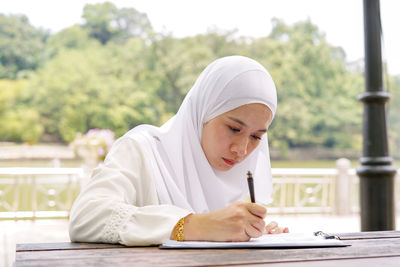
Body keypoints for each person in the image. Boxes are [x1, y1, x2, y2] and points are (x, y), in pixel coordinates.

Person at [69, 55, 288, 246]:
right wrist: (195, 226)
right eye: (233, 128)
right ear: (203, 112)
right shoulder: (141, 151)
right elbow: (86, 217)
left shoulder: (241, 177)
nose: (241, 150)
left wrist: (253, 233)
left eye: (256, 136)